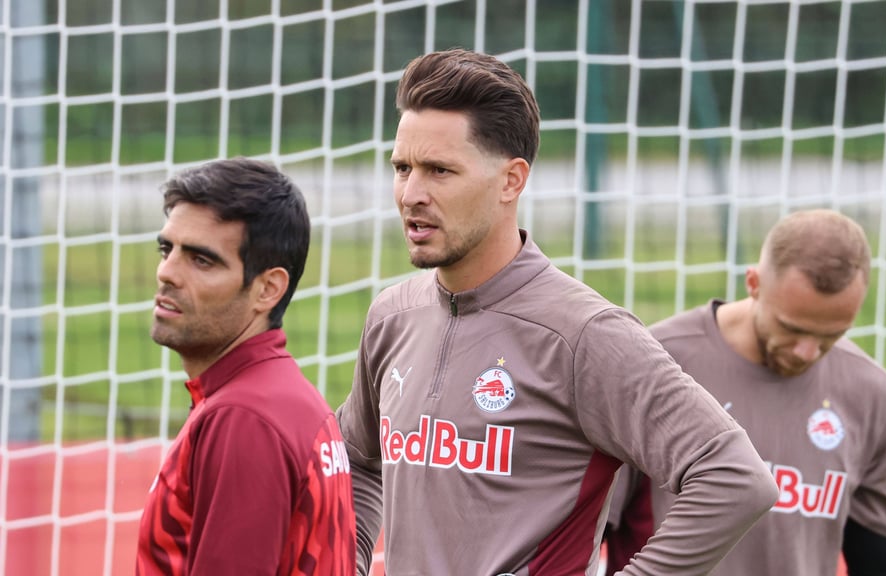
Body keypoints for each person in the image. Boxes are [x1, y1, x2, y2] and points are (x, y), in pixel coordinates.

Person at [334, 47, 779, 576]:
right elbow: (357, 461)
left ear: (511, 181)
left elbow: (733, 476)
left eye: (439, 170)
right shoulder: (392, 316)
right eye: (402, 168)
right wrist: (349, 561)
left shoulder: (584, 334)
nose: (411, 194)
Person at [604, 209, 886, 575]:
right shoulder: (656, 362)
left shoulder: (871, 391)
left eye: (831, 334)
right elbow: (590, 526)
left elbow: (874, 558)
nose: (806, 352)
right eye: (791, 327)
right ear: (753, 283)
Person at [136, 157, 357, 575]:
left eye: (201, 260)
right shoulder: (278, 396)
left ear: (267, 289)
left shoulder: (244, 418)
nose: (167, 273)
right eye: (167, 250)